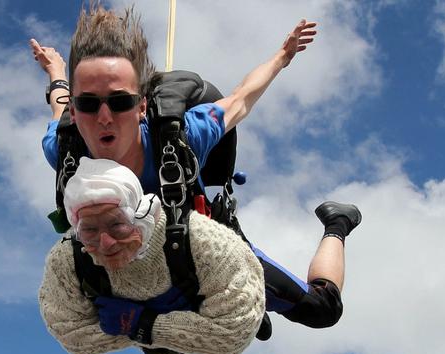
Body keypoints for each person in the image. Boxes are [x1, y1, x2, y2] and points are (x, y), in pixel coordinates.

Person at [32, 4, 360, 331]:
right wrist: (55, 72)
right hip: (133, 267)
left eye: (120, 102)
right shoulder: (66, 154)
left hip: (200, 251)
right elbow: (59, 105)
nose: (104, 117)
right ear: (75, 113)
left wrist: (282, 56)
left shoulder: (183, 139)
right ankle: (235, 309)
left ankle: (337, 222)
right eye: (89, 104)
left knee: (322, 310)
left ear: (142, 107)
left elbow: (241, 99)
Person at [39, 157, 267, 354]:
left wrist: (143, 324)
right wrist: (186, 326)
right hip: (200, 299)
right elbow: (72, 338)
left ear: (143, 215)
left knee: (295, 300)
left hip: (217, 271)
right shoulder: (68, 260)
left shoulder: (204, 241)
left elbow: (233, 334)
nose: (106, 242)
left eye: (117, 224)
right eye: (89, 230)